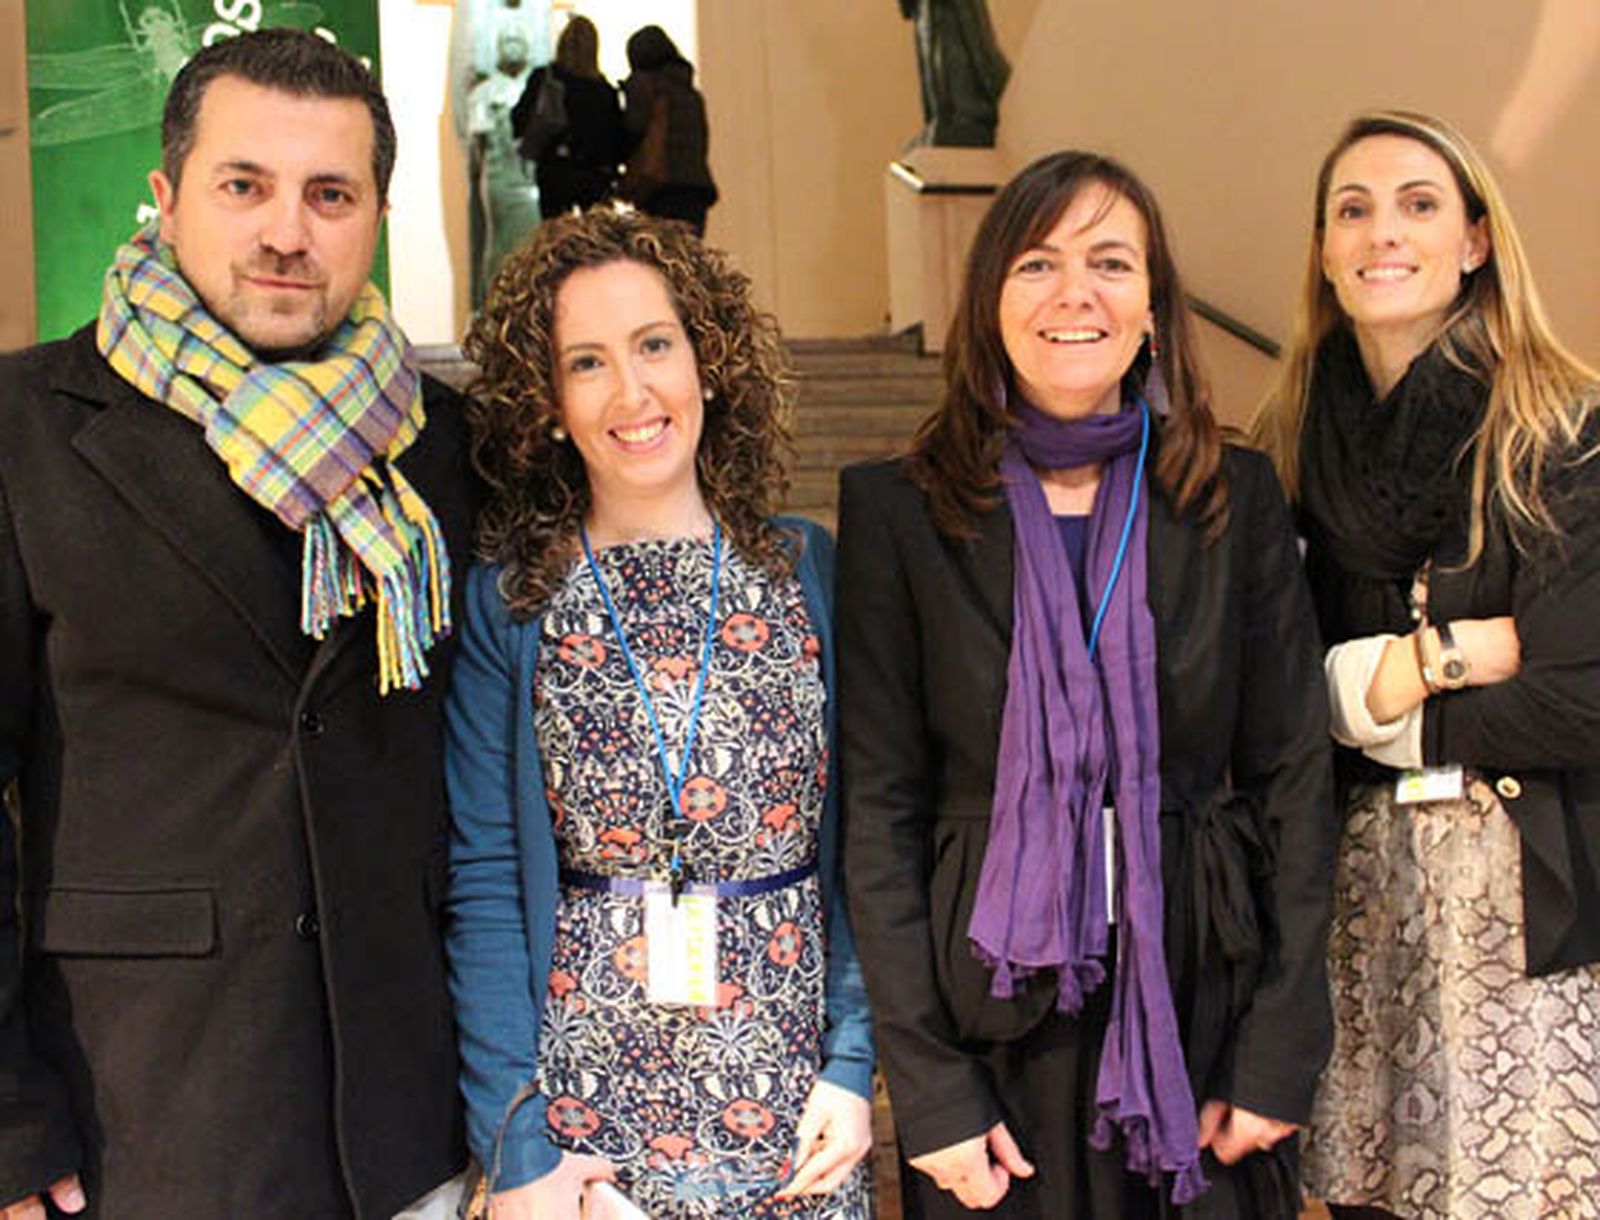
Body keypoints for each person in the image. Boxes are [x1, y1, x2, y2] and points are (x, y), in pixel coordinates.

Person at [0, 29, 476, 1220]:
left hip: (405, 1123)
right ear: (163, 199)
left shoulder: (446, 443)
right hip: (143, 1112)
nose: (286, 231)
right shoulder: (24, 429)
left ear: (375, 214)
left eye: (329, 194)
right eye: (243, 185)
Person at [837, 151, 1338, 1218]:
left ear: (1153, 306)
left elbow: (1294, 773)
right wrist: (924, 1087)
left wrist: (1282, 1043)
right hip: (992, 1019)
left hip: (1203, 1002)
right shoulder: (896, 511)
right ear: (988, 304)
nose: (1075, 294)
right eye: (1036, 263)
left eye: (1110, 262)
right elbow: (879, 810)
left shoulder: (1232, 494)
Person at [446, 206, 874, 1218]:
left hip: (794, 1109)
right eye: (586, 362)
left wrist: (854, 1064)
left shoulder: (805, 567)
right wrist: (517, 1145)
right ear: (546, 399)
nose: (631, 392)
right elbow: (484, 876)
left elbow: (861, 842)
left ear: (709, 361)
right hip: (586, 1123)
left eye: (654, 345)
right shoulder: (512, 600)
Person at [1254, 110, 1600, 1220]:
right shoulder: (1282, 446)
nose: (1380, 232)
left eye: (1417, 203)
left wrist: (1362, 701)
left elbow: (1576, 699)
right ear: (1321, 251)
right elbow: (1258, 702)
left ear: (1475, 241)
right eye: (1350, 209)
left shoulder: (1558, 427)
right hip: (1350, 904)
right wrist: (1432, 659)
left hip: (1516, 899)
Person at [512, 15, 624, 220]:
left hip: (554, 167)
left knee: (553, 234)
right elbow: (615, 141)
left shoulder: (546, 78)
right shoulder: (603, 90)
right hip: (594, 175)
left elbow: (518, 119)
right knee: (595, 239)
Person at [618, 26, 718, 235]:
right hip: (696, 186)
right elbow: (703, 141)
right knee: (689, 257)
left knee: (658, 257)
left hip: (658, 185)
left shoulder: (643, 85)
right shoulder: (692, 94)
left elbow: (633, 129)